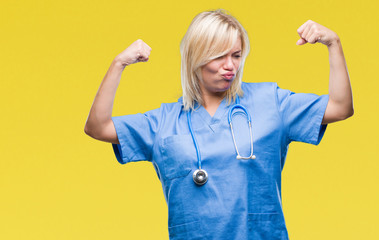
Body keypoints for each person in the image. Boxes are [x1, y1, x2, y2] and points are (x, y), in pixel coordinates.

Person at [84, 9, 353, 240]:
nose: (230, 66)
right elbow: (98, 127)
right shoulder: (163, 122)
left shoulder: (272, 103)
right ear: (195, 58)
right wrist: (118, 64)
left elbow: (340, 108)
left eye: (236, 55)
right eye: (219, 56)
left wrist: (334, 44)